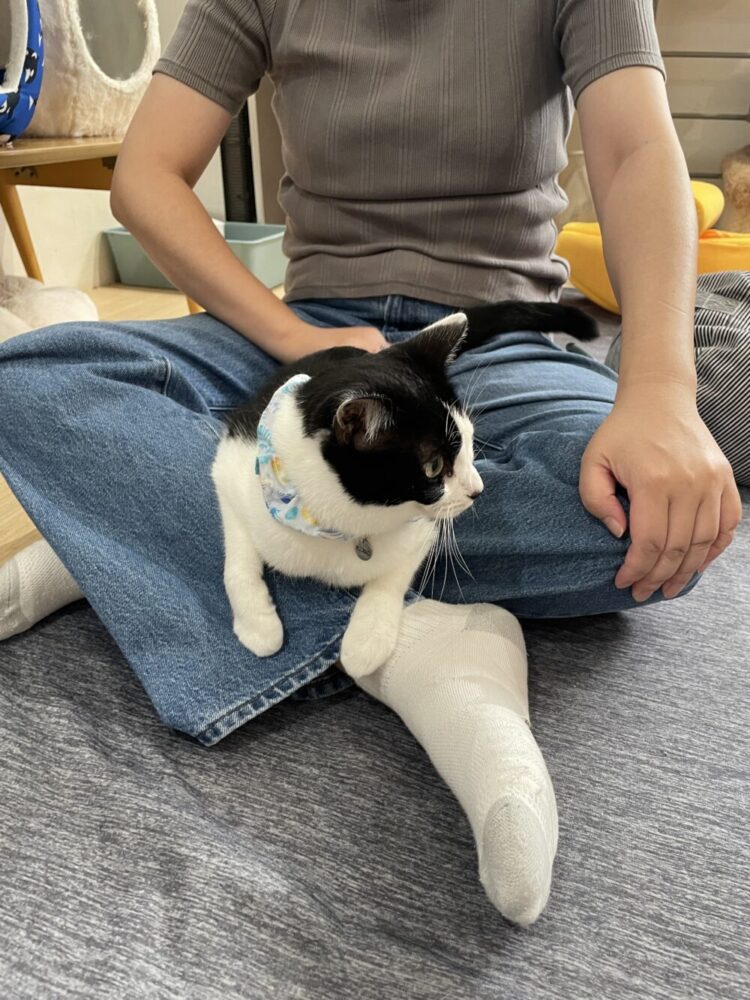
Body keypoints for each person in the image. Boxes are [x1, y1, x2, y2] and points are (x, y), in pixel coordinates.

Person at [0, 0, 741, 925]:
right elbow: (147, 175)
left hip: (487, 337)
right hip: (310, 335)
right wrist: (293, 338)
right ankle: (430, 646)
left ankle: (144, 537)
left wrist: (662, 389)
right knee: (30, 380)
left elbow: (634, 151)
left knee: (646, 523)